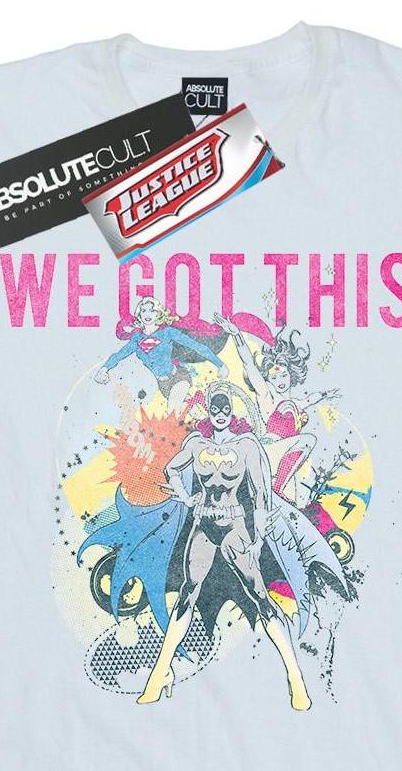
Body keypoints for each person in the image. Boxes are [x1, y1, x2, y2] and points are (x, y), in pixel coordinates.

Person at [137, 386, 312, 710]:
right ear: (208, 410)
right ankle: (159, 674)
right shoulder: (196, 444)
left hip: (235, 527)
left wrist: (258, 538)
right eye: (215, 408)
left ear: (232, 411)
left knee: (260, 596)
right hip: (203, 525)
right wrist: (187, 497)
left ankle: (295, 676)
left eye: (225, 408)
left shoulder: (246, 445)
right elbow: (172, 470)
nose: (220, 414)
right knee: (188, 593)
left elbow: (261, 493)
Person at [214, 316, 338, 503]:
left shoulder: (296, 403)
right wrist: (237, 334)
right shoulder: (267, 397)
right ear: (268, 379)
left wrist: (327, 394)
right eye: (274, 377)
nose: (280, 381)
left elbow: (310, 399)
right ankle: (275, 490)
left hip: (285, 462)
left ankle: (276, 490)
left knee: (293, 505)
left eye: (283, 375)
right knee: (309, 440)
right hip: (268, 451)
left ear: (291, 375)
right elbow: (249, 364)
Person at [95, 297, 226, 416]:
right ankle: (195, 400)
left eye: (152, 311)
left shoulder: (167, 332)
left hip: (178, 377)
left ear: (158, 314)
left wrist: (221, 365)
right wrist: (103, 369)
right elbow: (119, 355)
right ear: (139, 315)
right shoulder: (137, 339)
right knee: (192, 414)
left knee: (172, 413)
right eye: (144, 311)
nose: (147, 314)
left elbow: (196, 346)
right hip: (163, 385)